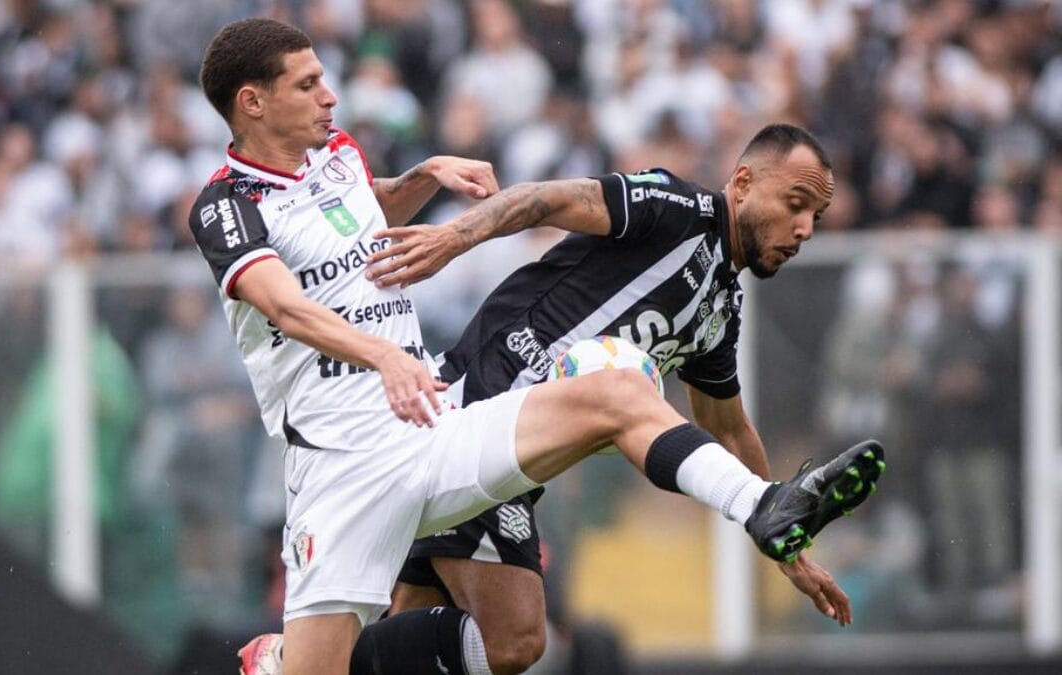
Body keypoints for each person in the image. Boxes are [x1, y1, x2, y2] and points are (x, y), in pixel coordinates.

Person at [191, 19, 883, 675]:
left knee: (616, 401)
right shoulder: (225, 205)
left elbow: (360, 215)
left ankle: (768, 509)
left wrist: (426, 178)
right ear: (253, 101)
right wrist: (386, 351)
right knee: (470, 643)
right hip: (341, 462)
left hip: (429, 422)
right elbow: (282, 301)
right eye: (309, 83)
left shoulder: (336, 159)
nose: (330, 94)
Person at [354, 122, 872, 674]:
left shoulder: (720, 312)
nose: (805, 228)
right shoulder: (678, 208)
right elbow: (545, 198)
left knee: (414, 637)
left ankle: (310, 662)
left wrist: (784, 543)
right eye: (796, 204)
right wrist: (454, 237)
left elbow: (728, 429)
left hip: (515, 461)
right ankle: (304, 660)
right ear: (742, 182)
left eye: (814, 216)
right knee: (514, 642)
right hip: (474, 412)